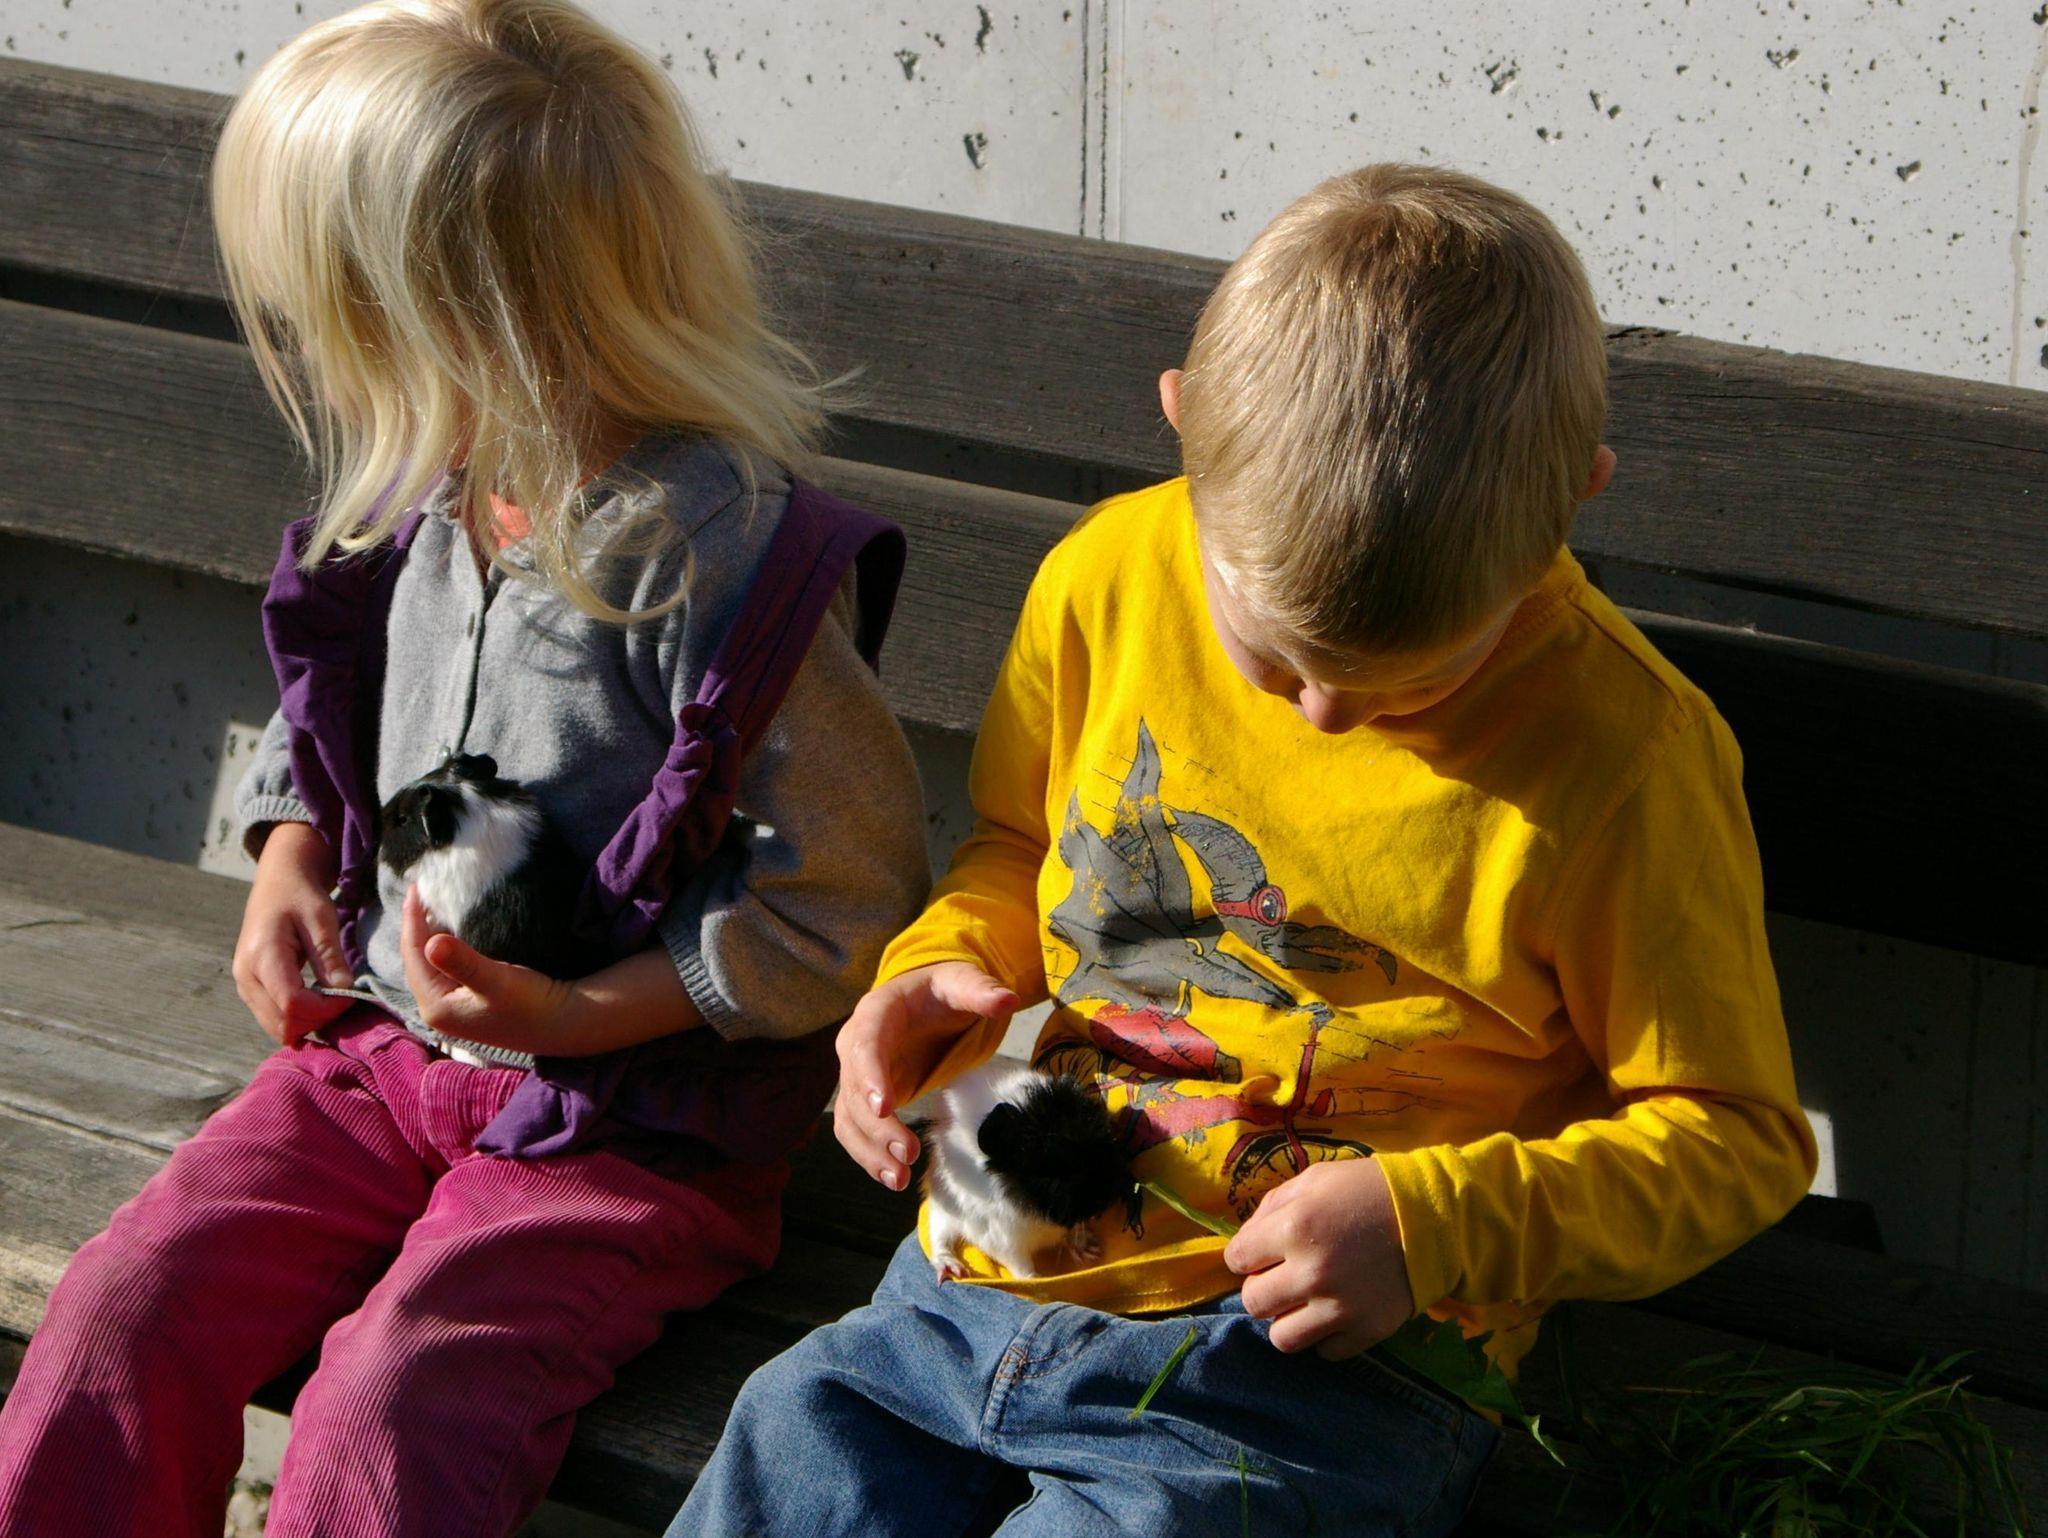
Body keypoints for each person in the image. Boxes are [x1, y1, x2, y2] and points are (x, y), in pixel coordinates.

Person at [668, 163, 1817, 1538]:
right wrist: (940, 965)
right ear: (1180, 425)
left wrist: (1431, 1224)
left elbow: (1735, 1137)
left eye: (1410, 679)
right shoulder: (1107, 580)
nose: (1324, 713)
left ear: (1577, 499)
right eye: (1274, 660)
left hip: (1319, 1364)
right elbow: (1023, 845)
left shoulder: (1626, 755)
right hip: (993, 1255)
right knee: (791, 1436)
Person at [0, 4, 929, 1535]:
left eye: (329, 312)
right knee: (125, 1303)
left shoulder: (713, 558)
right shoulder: (443, 480)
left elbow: (840, 896)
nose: (316, 351)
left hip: (631, 1122)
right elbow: (358, 715)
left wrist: (579, 1013)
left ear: (441, 316)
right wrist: (294, 855)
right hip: (381, 1058)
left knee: (392, 1400)